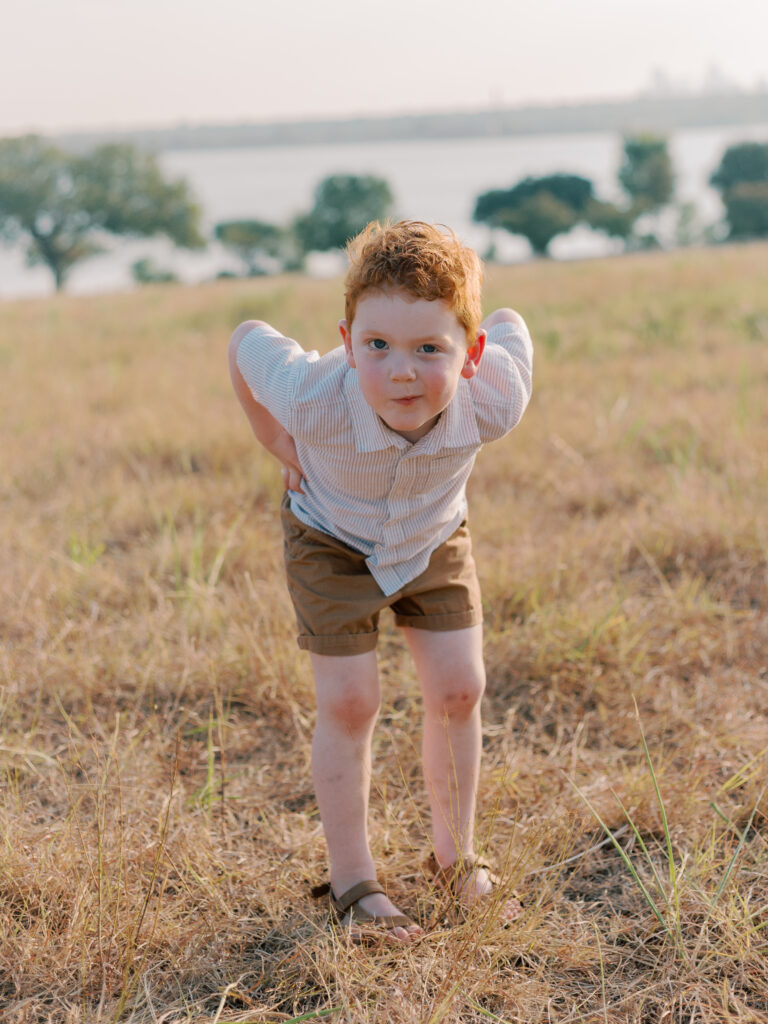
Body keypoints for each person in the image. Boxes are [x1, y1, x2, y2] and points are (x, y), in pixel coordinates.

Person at [229, 221, 533, 943]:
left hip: (432, 538)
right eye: (377, 346)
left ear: (470, 355)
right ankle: (354, 884)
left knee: (461, 689)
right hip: (330, 538)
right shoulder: (309, 395)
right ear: (347, 338)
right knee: (351, 700)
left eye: (430, 348)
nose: (401, 371)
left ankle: (454, 859)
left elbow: (510, 322)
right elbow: (244, 337)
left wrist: (484, 324)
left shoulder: (496, 397)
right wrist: (275, 440)